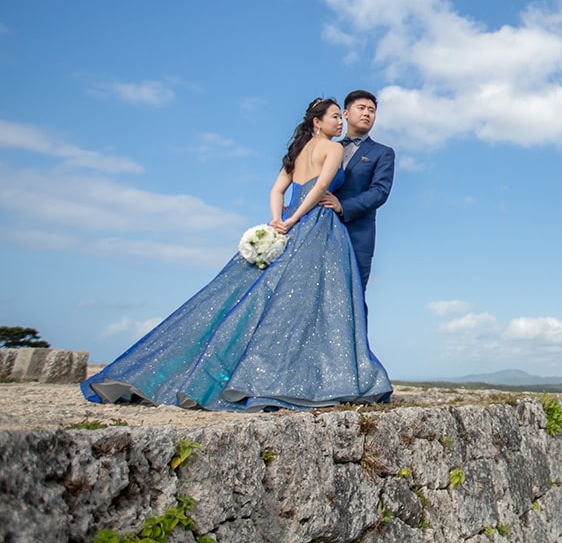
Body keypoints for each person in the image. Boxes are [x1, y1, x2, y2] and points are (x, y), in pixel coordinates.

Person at [81, 98, 392, 411]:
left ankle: (315, 373)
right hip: (316, 227)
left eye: (366, 111)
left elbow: (284, 190)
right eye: (337, 115)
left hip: (303, 224)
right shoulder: (333, 148)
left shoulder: (311, 153)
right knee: (296, 302)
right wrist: (294, 219)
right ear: (319, 121)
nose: (342, 121)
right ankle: (309, 379)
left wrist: (278, 221)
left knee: (271, 298)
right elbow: (322, 184)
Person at [318, 90, 395, 289]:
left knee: (352, 295)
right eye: (361, 108)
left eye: (372, 111)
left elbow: (379, 192)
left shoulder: (382, 153)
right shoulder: (328, 147)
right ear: (345, 113)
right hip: (320, 230)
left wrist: (342, 206)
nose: (367, 114)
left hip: (357, 234)